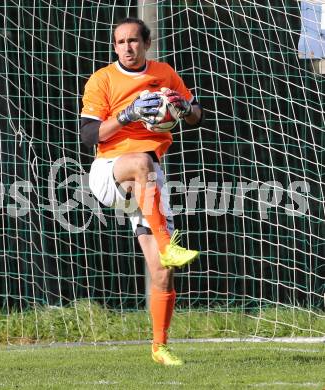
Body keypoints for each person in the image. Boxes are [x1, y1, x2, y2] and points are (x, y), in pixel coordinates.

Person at [80, 17, 204, 366]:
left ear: (146, 44)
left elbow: (197, 113)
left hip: (148, 178)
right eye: (120, 42)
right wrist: (128, 113)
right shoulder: (102, 80)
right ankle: (168, 244)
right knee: (139, 161)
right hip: (110, 171)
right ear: (114, 46)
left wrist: (182, 107)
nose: (127, 47)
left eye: (133, 41)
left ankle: (160, 347)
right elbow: (90, 135)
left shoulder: (164, 74)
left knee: (162, 272)